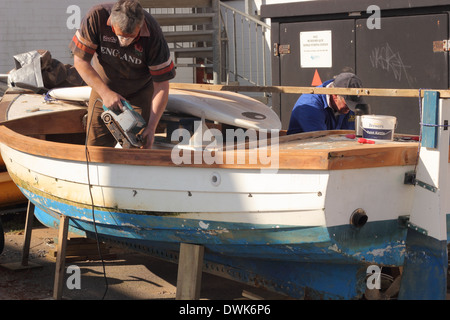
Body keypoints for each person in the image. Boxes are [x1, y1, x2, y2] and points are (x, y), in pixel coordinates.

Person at [69, 0, 176, 148]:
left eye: (130, 36)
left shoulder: (153, 34)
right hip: (104, 87)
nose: (124, 42)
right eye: (120, 35)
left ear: (140, 26)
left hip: (140, 92)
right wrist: (105, 93)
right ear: (111, 22)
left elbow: (162, 85)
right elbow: (80, 62)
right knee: (96, 147)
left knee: (137, 145)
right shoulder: (96, 17)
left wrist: (151, 127)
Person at [287, 72, 365, 135]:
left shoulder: (343, 104)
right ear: (335, 96)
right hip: (304, 151)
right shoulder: (309, 105)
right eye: (348, 104)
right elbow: (320, 143)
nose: (350, 108)